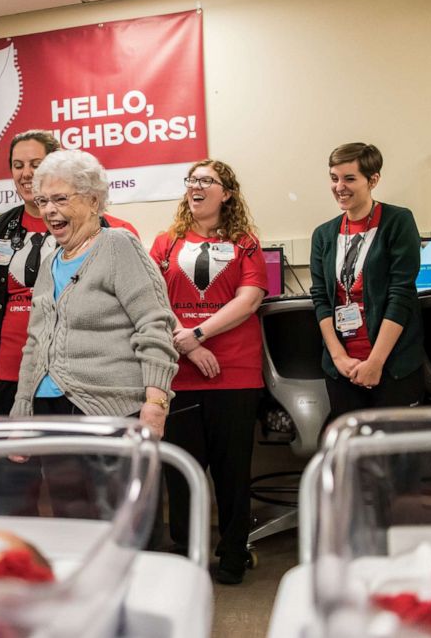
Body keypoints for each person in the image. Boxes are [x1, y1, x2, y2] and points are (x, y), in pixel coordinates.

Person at [150, 159, 267, 585]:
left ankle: (233, 554)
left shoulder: (245, 243)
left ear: (227, 194)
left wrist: (197, 333)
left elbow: (250, 298)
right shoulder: (166, 243)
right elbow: (151, 300)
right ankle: (186, 553)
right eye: (192, 180)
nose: (196, 186)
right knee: (181, 470)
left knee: (232, 470)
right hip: (178, 375)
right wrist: (188, 344)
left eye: (207, 181)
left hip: (234, 372)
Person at [10, 149, 177, 428]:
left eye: (61, 199)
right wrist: (21, 410)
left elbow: (154, 325)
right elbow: (34, 345)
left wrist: (156, 403)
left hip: (109, 410)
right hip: (47, 411)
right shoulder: (48, 263)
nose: (49, 210)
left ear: (93, 201)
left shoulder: (118, 245)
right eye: (42, 201)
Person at [309, 143, 425, 420]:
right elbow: (322, 299)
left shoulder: (397, 221)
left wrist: (375, 362)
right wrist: (338, 358)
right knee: (352, 456)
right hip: (343, 368)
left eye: (350, 179)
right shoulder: (324, 234)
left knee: (395, 456)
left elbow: (401, 295)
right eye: (334, 178)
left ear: (373, 180)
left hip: (391, 365)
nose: (340, 187)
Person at [0, 130, 61, 417]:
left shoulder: (82, 225)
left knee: (64, 462)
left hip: (62, 378)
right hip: (3, 374)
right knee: (9, 461)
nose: (26, 173)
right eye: (18, 166)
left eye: (36, 164)